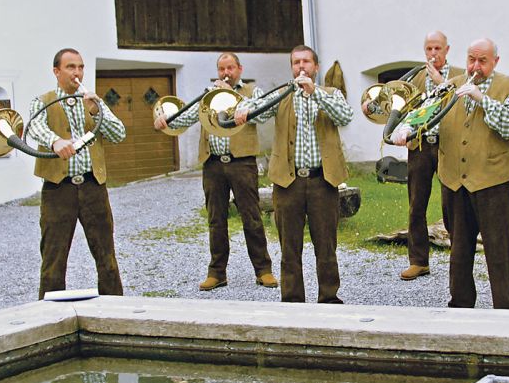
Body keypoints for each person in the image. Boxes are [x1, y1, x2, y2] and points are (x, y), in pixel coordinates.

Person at [234, 45, 354, 303]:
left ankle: (329, 299)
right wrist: (243, 107)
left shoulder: (330, 94)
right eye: (296, 62)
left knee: (326, 246)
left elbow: (345, 117)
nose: (301, 66)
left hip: (323, 181)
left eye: (306, 61)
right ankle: (292, 301)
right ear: (291, 67)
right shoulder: (282, 95)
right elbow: (257, 110)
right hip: (288, 182)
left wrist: (314, 93)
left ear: (316, 67)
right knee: (289, 248)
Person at [154, 52, 276, 291]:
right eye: (222, 69)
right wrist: (166, 121)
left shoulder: (251, 92)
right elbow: (187, 117)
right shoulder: (208, 94)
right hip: (213, 164)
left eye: (230, 68)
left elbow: (261, 113)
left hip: (242, 163)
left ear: (239, 69)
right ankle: (217, 273)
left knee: (251, 217)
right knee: (216, 219)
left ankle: (263, 270)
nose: (226, 73)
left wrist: (233, 97)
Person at [363, 31, 463, 281]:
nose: (433, 53)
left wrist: (441, 82)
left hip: (447, 145)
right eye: (429, 49)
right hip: (419, 146)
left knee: (451, 203)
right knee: (416, 204)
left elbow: (462, 106)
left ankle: (459, 260)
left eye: (438, 48)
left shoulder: (459, 75)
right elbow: (393, 102)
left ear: (447, 50)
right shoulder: (415, 78)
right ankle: (418, 261)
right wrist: (371, 106)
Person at [438, 38, 509, 309]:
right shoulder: (451, 86)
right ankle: (460, 307)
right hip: (455, 181)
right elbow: (432, 123)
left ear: (495, 62)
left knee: (500, 253)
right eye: (471, 60)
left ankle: (508, 311)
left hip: (495, 182)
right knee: (458, 252)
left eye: (482, 61)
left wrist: (482, 100)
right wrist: (408, 129)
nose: (475, 66)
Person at [28, 48, 126, 299]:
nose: (78, 72)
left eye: (81, 67)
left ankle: (115, 309)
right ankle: (50, 315)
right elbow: (35, 127)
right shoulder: (42, 101)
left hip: (93, 186)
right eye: (71, 67)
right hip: (58, 188)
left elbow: (119, 134)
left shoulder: (92, 101)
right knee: (53, 257)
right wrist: (54, 141)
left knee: (106, 254)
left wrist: (96, 111)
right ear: (56, 71)